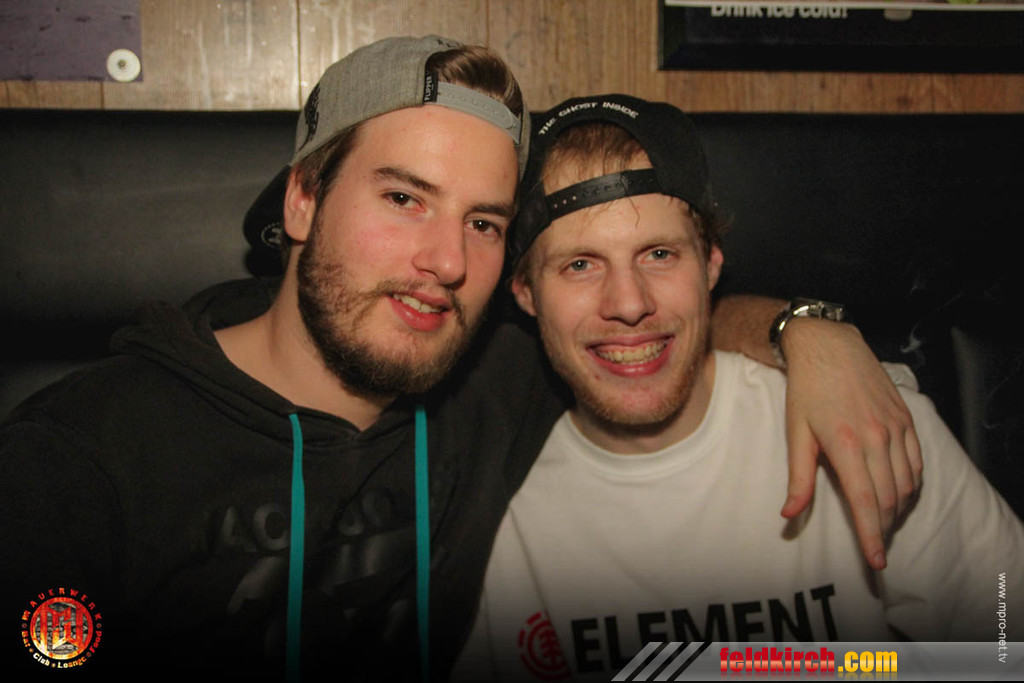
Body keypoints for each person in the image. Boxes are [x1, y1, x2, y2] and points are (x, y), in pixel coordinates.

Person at [0, 38, 917, 681]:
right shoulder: (80, 459)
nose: (446, 261)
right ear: (302, 200)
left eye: (483, 222)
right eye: (404, 198)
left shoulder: (494, 381)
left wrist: (810, 331)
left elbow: (646, 322)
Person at [452, 94, 1024, 682]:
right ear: (525, 292)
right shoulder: (487, 507)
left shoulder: (859, 417)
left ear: (711, 265)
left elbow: (1009, 648)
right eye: (580, 265)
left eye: (659, 254)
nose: (629, 303)